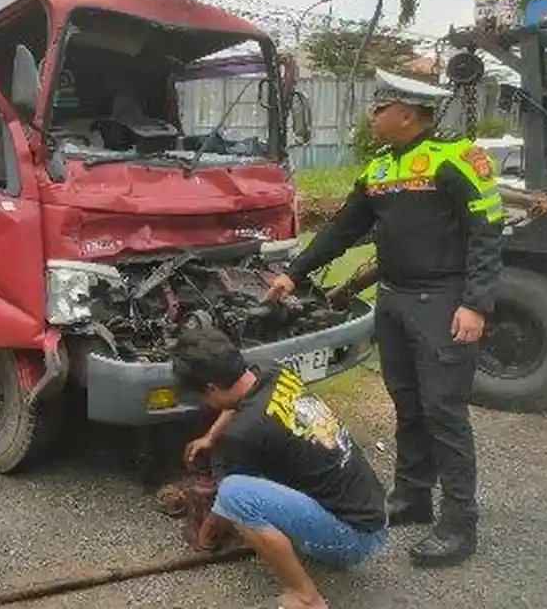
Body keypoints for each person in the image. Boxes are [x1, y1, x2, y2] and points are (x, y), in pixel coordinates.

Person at [266, 69, 505, 568]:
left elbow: (487, 231)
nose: (371, 115)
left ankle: (460, 522)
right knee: (408, 403)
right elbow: (342, 229)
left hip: (443, 300)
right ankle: (413, 495)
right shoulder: (379, 169)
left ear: (407, 114)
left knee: (444, 410)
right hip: (394, 301)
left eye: (380, 107)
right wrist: (293, 273)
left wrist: (476, 302)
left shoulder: (456, 158)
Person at [172, 327, 388, 609]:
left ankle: (306, 597)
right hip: (374, 513)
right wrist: (210, 437)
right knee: (249, 485)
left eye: (203, 397)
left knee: (235, 492)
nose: (206, 404)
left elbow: (228, 503)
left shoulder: (243, 435)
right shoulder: (270, 372)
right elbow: (236, 402)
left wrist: (206, 535)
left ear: (211, 388)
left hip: (352, 541)